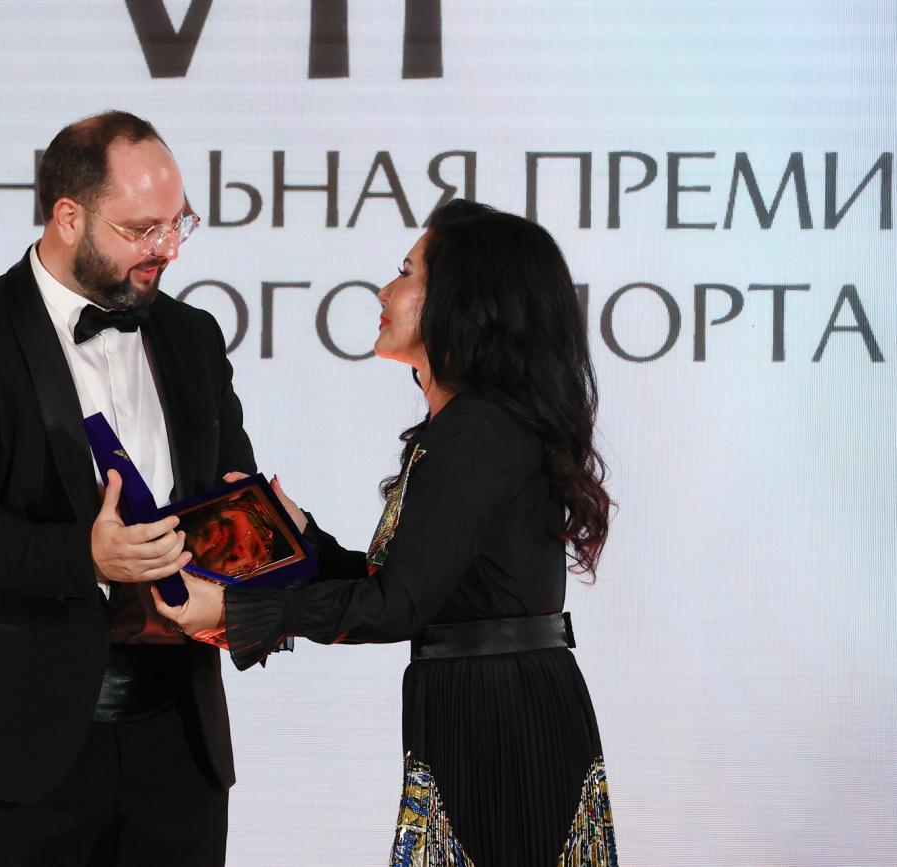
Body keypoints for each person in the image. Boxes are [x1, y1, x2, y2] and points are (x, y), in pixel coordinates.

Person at [156, 200, 618, 867]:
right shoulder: (472, 425)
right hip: (490, 700)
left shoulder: (476, 430)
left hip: (498, 714)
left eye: (405, 272)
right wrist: (302, 537)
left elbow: (397, 604)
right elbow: (413, 585)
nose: (384, 291)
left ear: (461, 300)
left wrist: (236, 609)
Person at [0, 111, 255, 866]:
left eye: (179, 222)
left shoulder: (193, 336)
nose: (169, 248)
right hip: (17, 746)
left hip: (177, 742)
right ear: (68, 217)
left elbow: (229, 492)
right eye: (143, 229)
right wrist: (87, 557)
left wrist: (263, 544)